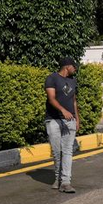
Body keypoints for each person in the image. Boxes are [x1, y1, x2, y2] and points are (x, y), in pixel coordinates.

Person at [44, 56, 80, 194]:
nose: (75, 69)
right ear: (67, 66)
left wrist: (77, 118)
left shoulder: (73, 81)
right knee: (56, 151)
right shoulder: (52, 78)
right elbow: (51, 98)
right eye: (73, 66)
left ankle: (66, 182)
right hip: (53, 120)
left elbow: (74, 100)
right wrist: (62, 110)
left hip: (70, 120)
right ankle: (58, 178)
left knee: (67, 151)